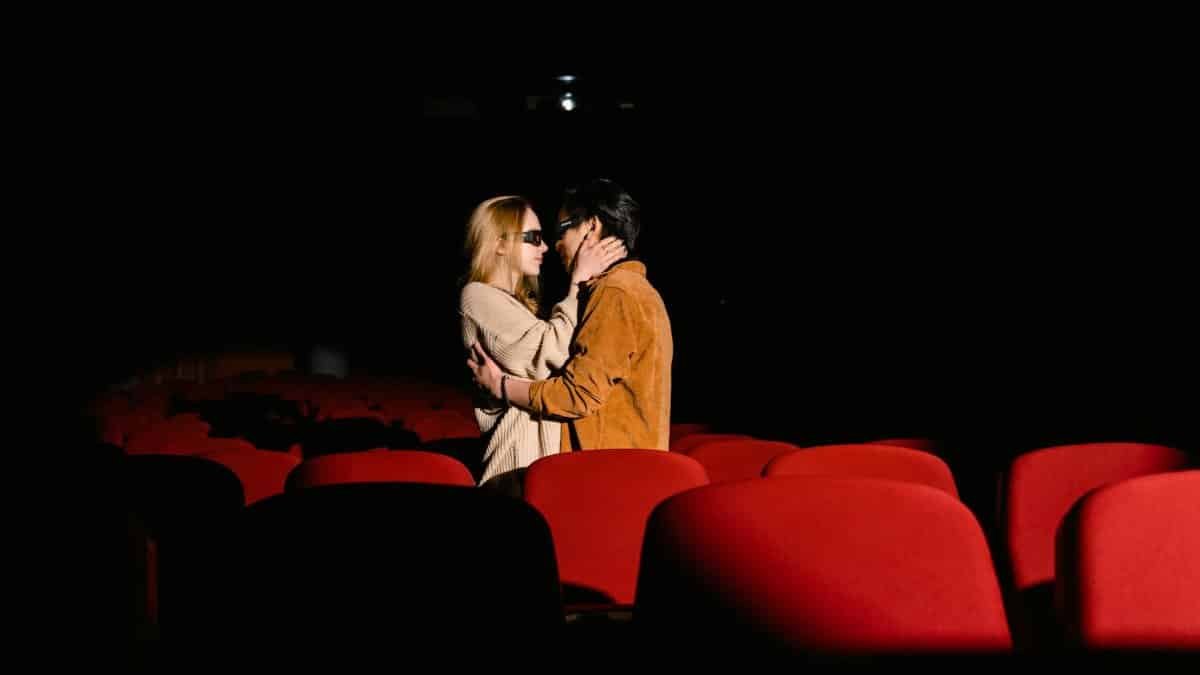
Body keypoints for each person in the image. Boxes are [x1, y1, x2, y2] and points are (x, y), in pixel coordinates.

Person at [467, 179, 673, 453]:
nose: (554, 245)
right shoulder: (634, 289)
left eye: (560, 230)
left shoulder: (615, 292)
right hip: (622, 468)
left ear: (591, 227)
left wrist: (501, 385)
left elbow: (577, 393)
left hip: (606, 472)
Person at [459, 195, 626, 493]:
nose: (546, 247)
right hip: (516, 465)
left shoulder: (525, 307)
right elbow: (551, 354)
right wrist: (576, 283)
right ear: (498, 243)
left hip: (547, 461)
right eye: (533, 238)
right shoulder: (477, 295)